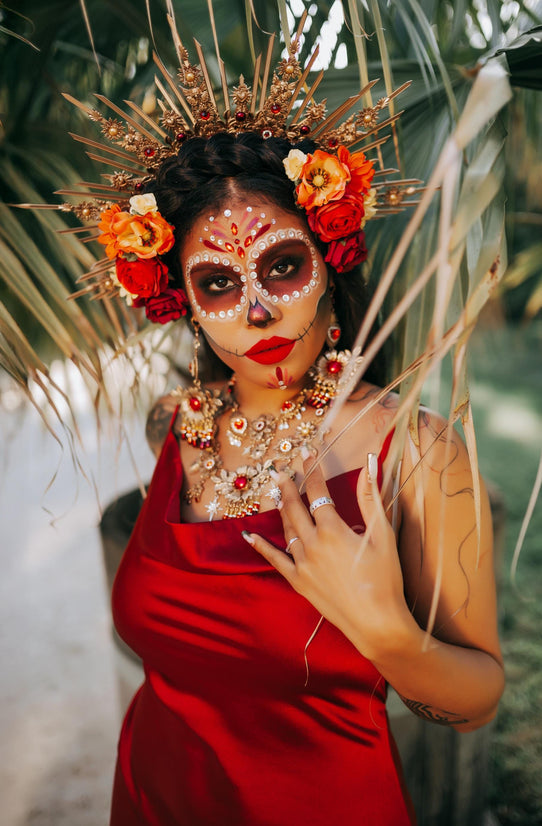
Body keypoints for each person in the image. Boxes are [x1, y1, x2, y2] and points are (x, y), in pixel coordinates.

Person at [52, 25, 504, 826]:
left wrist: (388, 634)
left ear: (331, 254)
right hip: (153, 797)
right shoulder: (180, 428)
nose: (258, 309)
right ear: (181, 301)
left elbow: (474, 704)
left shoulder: (417, 455)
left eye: (283, 265)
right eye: (218, 282)